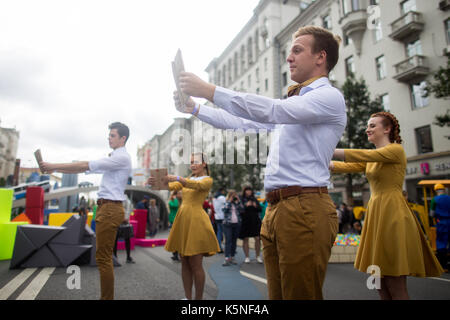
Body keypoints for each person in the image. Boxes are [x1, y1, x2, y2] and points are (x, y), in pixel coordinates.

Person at [174, 25, 345, 299]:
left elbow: (271, 110)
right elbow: (240, 122)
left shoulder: (328, 97)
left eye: (297, 50)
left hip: (305, 207)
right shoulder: (296, 102)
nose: (289, 57)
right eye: (289, 51)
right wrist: (194, 108)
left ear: (320, 57)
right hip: (277, 208)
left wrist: (209, 90)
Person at [330, 112, 444, 300]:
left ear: (387, 129)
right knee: (380, 284)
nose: (368, 129)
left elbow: (360, 154)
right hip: (377, 213)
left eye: (372, 125)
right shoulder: (373, 158)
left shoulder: (395, 150)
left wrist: (327, 148)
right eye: (368, 125)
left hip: (392, 214)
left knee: (395, 285)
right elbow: (344, 165)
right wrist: (319, 160)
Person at [41, 122, 132, 300]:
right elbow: (86, 167)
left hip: (110, 208)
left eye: (113, 135)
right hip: (108, 207)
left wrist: (53, 166)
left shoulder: (122, 157)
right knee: (103, 258)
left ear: (123, 138)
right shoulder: (116, 156)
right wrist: (55, 168)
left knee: (104, 259)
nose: (109, 138)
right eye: (109, 135)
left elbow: (85, 165)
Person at [148, 153, 220, 300]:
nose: (192, 165)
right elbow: (171, 186)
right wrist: (155, 182)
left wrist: (179, 178)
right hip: (183, 220)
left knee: (195, 264)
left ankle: (198, 299)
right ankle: (187, 298)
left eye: (196, 162)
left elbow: (195, 185)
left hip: (196, 221)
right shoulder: (188, 179)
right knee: (184, 262)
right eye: (191, 162)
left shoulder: (207, 180)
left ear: (204, 164)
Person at [239, 186, 263, 264]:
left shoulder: (254, 199)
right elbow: (239, 210)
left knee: (257, 238)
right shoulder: (242, 199)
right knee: (246, 239)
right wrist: (246, 205)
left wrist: (256, 206)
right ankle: (247, 257)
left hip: (255, 221)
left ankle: (258, 256)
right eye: (247, 190)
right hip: (246, 221)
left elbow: (260, 209)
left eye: (250, 190)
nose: (248, 192)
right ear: (244, 191)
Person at [430, 183, 450, 272]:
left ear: (436, 191)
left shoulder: (435, 200)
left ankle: (444, 266)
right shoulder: (449, 198)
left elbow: (431, 214)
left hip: (441, 223)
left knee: (441, 242)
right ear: (444, 190)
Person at [222, 190, 243, 266]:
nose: (234, 197)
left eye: (235, 196)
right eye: (232, 196)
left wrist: (238, 201)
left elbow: (242, 210)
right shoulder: (226, 202)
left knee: (234, 241)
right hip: (227, 224)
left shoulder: (237, 203)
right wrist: (230, 201)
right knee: (228, 241)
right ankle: (227, 258)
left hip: (236, 224)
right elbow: (224, 210)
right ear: (230, 196)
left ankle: (232, 256)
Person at [113, 196, 135, 264]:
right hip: (116, 221)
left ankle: (128, 257)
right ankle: (115, 257)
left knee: (126, 239)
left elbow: (129, 208)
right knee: (115, 239)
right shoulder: (115, 196)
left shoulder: (124, 197)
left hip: (123, 221)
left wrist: (125, 218)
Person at [213, 188, 226, 253]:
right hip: (222, 216)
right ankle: (224, 247)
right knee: (225, 233)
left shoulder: (214, 198)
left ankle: (219, 247)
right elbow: (226, 204)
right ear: (222, 191)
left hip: (217, 216)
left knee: (219, 232)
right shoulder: (222, 197)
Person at [169, 191, 181, 261]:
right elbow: (175, 205)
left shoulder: (179, 201)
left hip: (178, 220)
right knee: (176, 237)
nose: (180, 195)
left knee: (177, 238)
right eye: (179, 193)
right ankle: (175, 254)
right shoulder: (172, 201)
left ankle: (176, 254)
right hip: (174, 220)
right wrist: (175, 199)